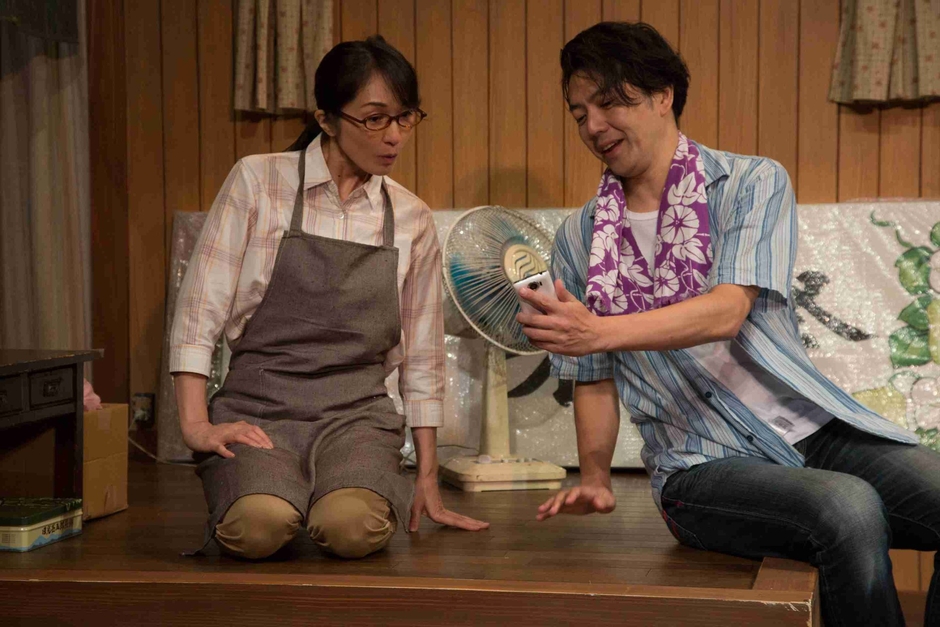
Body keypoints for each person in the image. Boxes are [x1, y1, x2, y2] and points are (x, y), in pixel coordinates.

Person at [518, 21, 940, 627]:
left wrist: (599, 331)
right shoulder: (580, 238)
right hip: (698, 465)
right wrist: (595, 476)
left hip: (810, 428)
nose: (593, 126)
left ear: (663, 95)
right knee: (847, 508)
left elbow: (726, 310)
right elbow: (592, 376)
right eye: (579, 113)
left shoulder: (750, 183)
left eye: (610, 103)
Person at [170, 35, 488, 561]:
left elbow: (424, 355)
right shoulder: (258, 181)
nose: (394, 136)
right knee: (258, 526)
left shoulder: (410, 217)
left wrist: (428, 476)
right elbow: (199, 309)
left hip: (356, 418)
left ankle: (331, 493)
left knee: (351, 528)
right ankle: (271, 493)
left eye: (405, 118)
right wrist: (195, 425)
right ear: (326, 119)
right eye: (375, 118)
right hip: (259, 410)